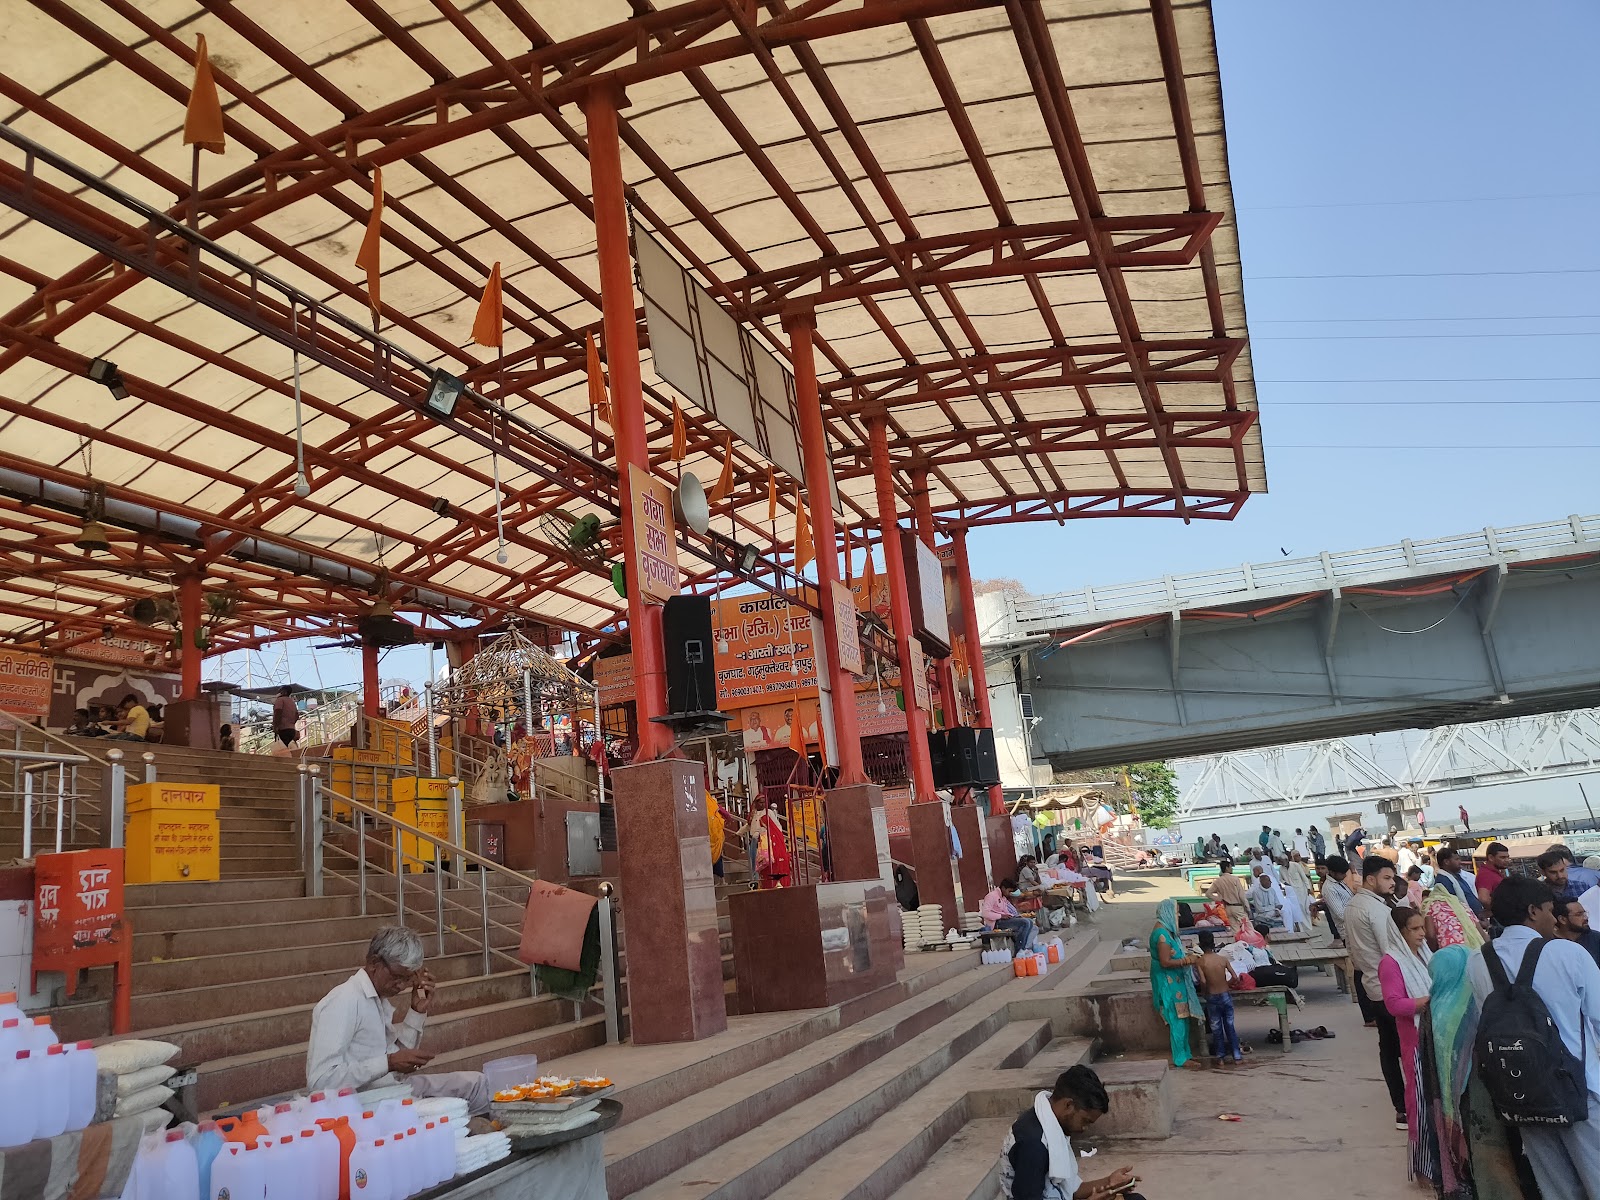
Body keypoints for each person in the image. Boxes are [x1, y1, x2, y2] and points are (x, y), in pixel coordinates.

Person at [1466, 875, 1600, 1197]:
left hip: (1520, 1092)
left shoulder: (1478, 961)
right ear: (1532, 910)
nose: (1555, 918)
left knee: (1556, 1189)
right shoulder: (1567, 953)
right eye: (1549, 910)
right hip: (1578, 1090)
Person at [306, 926, 491, 1114]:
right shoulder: (344, 1001)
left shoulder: (378, 1000)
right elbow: (321, 1081)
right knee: (456, 1111)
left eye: (408, 979)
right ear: (374, 963)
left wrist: (416, 1012)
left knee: (477, 1084)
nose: (401, 986)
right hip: (364, 1105)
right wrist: (388, 1063)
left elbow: (396, 1061)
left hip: (392, 1089)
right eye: (396, 977)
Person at [999, 1066, 1142, 1200]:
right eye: (1085, 1121)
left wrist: (1110, 1182)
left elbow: (1072, 1190)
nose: (1084, 1129)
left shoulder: (1049, 1121)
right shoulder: (1033, 1146)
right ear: (1068, 1105)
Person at [1343, 855, 1408, 1129]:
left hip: (1373, 985)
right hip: (1389, 988)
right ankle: (1407, 1108)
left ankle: (1401, 1108)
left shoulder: (1353, 906)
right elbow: (1392, 952)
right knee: (1405, 1049)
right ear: (1371, 879)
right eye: (1387, 878)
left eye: (1393, 878)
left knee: (1389, 1050)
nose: (1392, 883)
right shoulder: (1377, 911)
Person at [1378, 905, 1433, 1177]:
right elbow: (1394, 1004)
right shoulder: (1391, 962)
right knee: (1418, 1100)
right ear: (1400, 933)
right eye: (1415, 929)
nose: (1422, 933)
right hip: (1414, 1036)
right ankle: (1422, 1163)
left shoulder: (1423, 953)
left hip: (1433, 1032)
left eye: (1423, 927)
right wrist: (1427, 1002)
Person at [1147, 899, 1202, 1070]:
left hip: (1176, 981)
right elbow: (1165, 962)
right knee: (1177, 1019)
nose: (1178, 915)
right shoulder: (1162, 936)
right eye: (1176, 911)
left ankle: (1185, 1054)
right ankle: (1180, 1058)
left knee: (1182, 1018)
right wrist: (1186, 960)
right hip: (1168, 983)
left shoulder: (1167, 931)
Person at [1194, 931, 1242, 1066]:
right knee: (1230, 1026)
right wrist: (1226, 985)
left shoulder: (1201, 961)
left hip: (1212, 997)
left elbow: (1202, 981)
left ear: (1200, 945)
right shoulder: (1222, 959)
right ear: (1213, 943)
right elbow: (1235, 977)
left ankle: (1220, 1057)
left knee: (1216, 1029)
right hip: (1225, 995)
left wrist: (1205, 992)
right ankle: (1237, 1056)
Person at [982, 880, 1037, 956]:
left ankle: (1023, 947)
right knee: (1025, 923)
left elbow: (1005, 911)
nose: (1010, 894)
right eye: (1009, 891)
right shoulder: (991, 896)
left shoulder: (1003, 897)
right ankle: (1019, 949)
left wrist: (1014, 916)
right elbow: (985, 913)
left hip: (1004, 920)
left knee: (1029, 922)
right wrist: (1001, 916)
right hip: (996, 922)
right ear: (1004, 888)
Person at [1432, 846, 1486, 920]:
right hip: (1467, 920)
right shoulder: (1443, 881)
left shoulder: (1456, 876)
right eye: (1456, 859)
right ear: (1446, 862)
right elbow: (1454, 905)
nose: (1460, 862)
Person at [751, 797, 790, 889]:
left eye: (764, 802)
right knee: (756, 865)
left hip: (768, 842)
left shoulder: (768, 813)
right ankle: (759, 883)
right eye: (760, 802)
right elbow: (749, 827)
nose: (762, 804)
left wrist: (766, 835)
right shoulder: (753, 814)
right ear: (756, 803)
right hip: (756, 842)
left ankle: (776, 883)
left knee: (770, 862)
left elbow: (777, 826)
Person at [1316, 855, 1355, 945]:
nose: (1345, 875)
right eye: (1342, 873)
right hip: (1347, 931)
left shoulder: (1339, 882)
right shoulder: (1329, 888)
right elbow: (1340, 914)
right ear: (1332, 872)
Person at [1553, 895, 1600, 968]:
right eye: (1579, 914)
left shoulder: (1596, 939)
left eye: (1585, 913)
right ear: (1562, 919)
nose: (1585, 918)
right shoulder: (1549, 941)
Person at [1201, 859, 1248, 925]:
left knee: (1235, 929)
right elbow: (1241, 895)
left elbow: (1208, 894)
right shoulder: (1235, 879)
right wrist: (1247, 907)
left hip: (1227, 907)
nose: (1232, 869)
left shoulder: (1218, 881)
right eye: (1230, 867)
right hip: (1237, 907)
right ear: (1227, 868)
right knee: (1247, 927)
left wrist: (1220, 899)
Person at [1475, 842, 1510, 909]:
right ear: (1491, 858)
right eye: (1503, 857)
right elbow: (1484, 899)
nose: (1507, 860)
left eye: (1508, 857)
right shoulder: (1486, 874)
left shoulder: (1493, 873)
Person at [1283, 853, 1314, 929]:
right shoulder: (1281, 869)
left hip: (1301, 891)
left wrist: (1308, 888)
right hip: (1291, 893)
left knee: (1305, 908)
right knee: (1296, 910)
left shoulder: (1295, 865)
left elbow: (1304, 877)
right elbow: (1281, 879)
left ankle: (1309, 928)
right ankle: (1301, 929)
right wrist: (1285, 883)